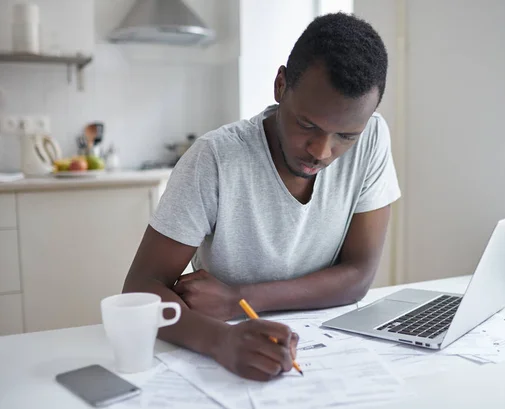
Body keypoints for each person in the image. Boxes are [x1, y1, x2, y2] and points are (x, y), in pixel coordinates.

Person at [123, 12, 400, 381]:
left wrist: (240, 297)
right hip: (230, 359)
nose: (321, 150)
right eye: (308, 125)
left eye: (345, 136)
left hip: (328, 352)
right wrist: (219, 340)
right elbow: (141, 289)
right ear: (281, 85)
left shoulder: (373, 138)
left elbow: (358, 275)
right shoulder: (215, 159)